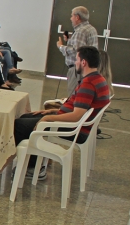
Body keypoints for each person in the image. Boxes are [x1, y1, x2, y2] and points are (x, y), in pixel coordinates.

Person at [14, 46, 109, 180]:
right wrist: (53, 111)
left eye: (76, 59)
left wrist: (48, 118)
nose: (75, 62)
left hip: (75, 129)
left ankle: (33, 168)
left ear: (83, 62)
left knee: (19, 125)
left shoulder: (88, 83)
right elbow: (79, 109)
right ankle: (32, 161)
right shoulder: (99, 79)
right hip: (78, 125)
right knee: (26, 116)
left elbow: (77, 115)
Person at [59, 6, 99, 96]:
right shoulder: (91, 29)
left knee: (74, 95)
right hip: (87, 68)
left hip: (77, 70)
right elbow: (83, 47)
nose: (70, 18)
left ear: (77, 17)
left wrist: (61, 46)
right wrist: (69, 40)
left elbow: (76, 52)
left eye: (72, 16)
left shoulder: (80, 31)